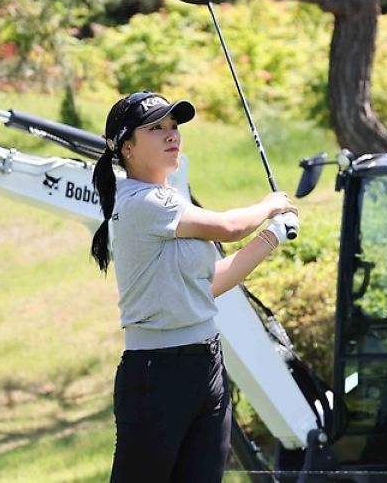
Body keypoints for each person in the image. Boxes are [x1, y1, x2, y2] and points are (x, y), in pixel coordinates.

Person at [90, 91, 299, 483]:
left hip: (205, 365)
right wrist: (271, 204)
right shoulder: (142, 202)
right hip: (156, 376)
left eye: (174, 127)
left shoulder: (168, 200)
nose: (172, 135)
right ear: (127, 147)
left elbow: (209, 284)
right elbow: (230, 228)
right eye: (156, 128)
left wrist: (272, 236)